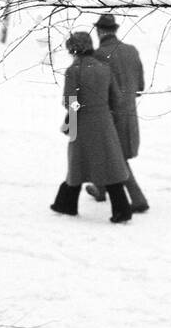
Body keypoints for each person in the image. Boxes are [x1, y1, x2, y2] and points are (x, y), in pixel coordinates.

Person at [50, 31, 132, 223]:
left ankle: (67, 204)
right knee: (109, 165)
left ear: (73, 49)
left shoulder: (73, 71)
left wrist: (70, 125)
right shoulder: (104, 68)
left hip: (82, 122)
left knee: (77, 164)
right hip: (104, 123)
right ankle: (122, 209)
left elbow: (71, 102)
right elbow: (117, 99)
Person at [84, 14, 149, 213]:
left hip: (108, 114)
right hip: (130, 113)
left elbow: (95, 90)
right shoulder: (132, 51)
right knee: (105, 152)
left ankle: (137, 198)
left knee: (115, 156)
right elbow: (140, 87)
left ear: (99, 31)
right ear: (115, 30)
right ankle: (100, 189)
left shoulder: (98, 56)